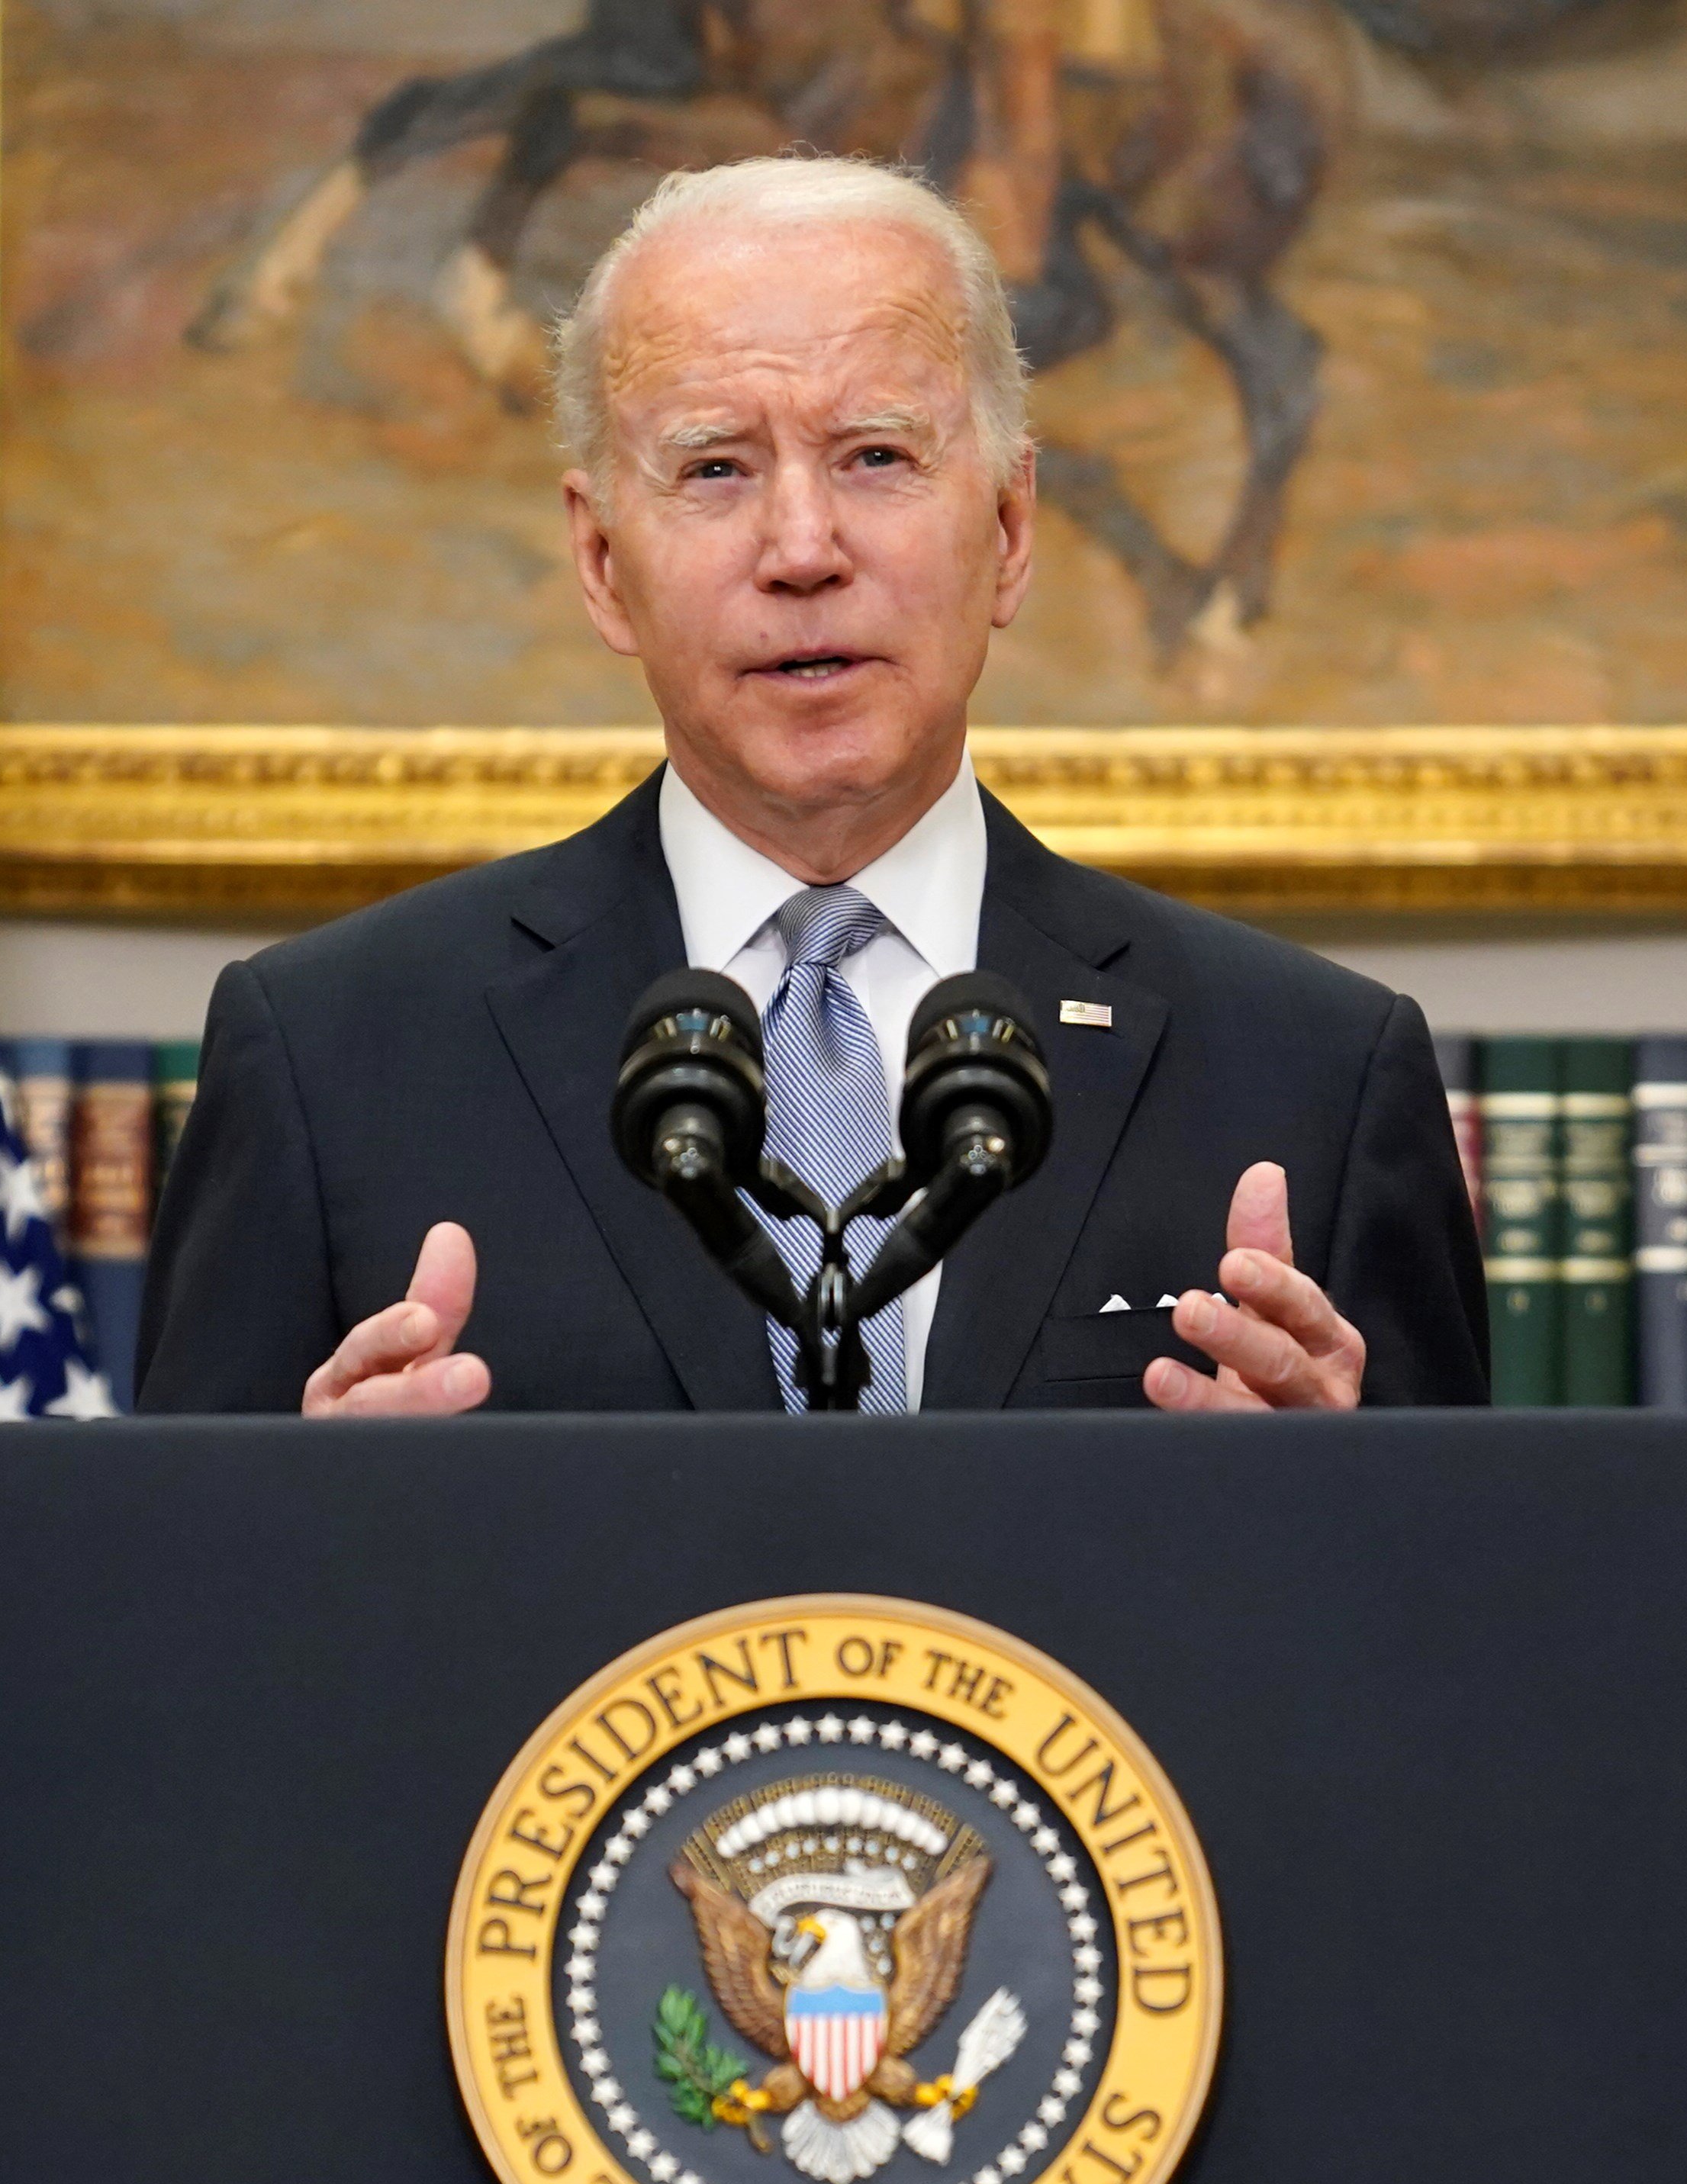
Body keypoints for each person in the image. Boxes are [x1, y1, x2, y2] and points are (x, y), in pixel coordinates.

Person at [134, 155, 1483, 1418]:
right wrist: (297, 1529)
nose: (801, 547)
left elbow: (1463, 1637)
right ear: (604, 563)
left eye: (876, 457)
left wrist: (1352, 1507)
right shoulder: (331, 1059)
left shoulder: (1312, 1076)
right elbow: (169, 1629)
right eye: (715, 468)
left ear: (1010, 532)